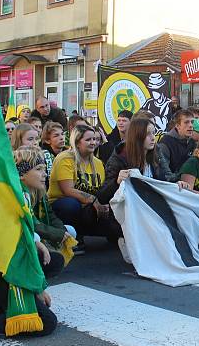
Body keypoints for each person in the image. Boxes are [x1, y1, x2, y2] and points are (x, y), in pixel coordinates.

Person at [49, 125, 113, 254]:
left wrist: (105, 205)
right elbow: (68, 190)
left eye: (95, 139)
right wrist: (94, 201)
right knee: (70, 204)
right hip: (60, 206)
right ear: (77, 142)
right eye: (88, 139)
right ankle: (70, 240)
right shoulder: (65, 158)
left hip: (88, 208)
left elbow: (101, 191)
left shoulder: (98, 163)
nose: (93, 142)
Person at [15, 147, 71, 277]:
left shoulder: (38, 190)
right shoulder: (17, 195)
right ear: (22, 174)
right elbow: (30, 225)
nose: (45, 174)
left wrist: (62, 232)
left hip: (31, 236)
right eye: (39, 169)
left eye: (44, 169)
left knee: (69, 231)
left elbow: (50, 215)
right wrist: (54, 235)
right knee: (55, 261)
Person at [97, 118, 173, 206]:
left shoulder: (155, 156)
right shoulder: (120, 157)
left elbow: (164, 182)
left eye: (153, 133)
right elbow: (102, 197)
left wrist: (177, 184)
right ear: (137, 136)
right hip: (128, 215)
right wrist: (116, 182)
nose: (153, 138)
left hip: (152, 212)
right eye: (147, 134)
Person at [157, 109, 195, 174]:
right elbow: (163, 172)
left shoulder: (192, 141)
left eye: (192, 122)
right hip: (173, 182)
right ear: (177, 126)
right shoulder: (166, 143)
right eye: (186, 122)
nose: (191, 125)